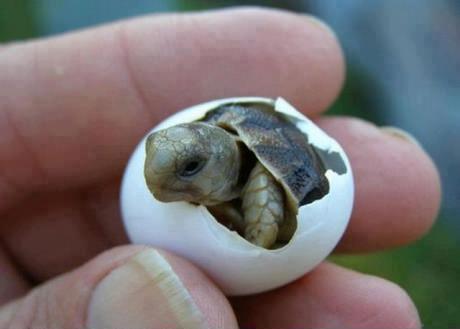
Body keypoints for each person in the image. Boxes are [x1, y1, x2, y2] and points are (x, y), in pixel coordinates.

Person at [0, 7, 441, 329]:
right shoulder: (193, 147)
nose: (156, 180)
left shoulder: (263, 175)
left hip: (272, 165)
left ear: (221, 160)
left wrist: (257, 243)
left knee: (267, 196)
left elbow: (267, 231)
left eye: (190, 168)